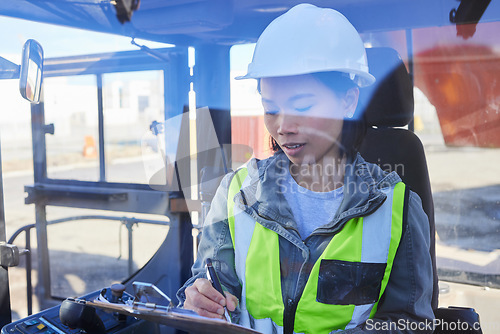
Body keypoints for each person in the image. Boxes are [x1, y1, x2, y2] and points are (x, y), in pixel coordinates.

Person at [177, 3, 434, 333]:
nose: (282, 126)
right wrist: (201, 300)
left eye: (302, 105)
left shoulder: (397, 208)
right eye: (270, 108)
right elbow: (211, 284)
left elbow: (408, 323)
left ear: (348, 102)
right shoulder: (236, 193)